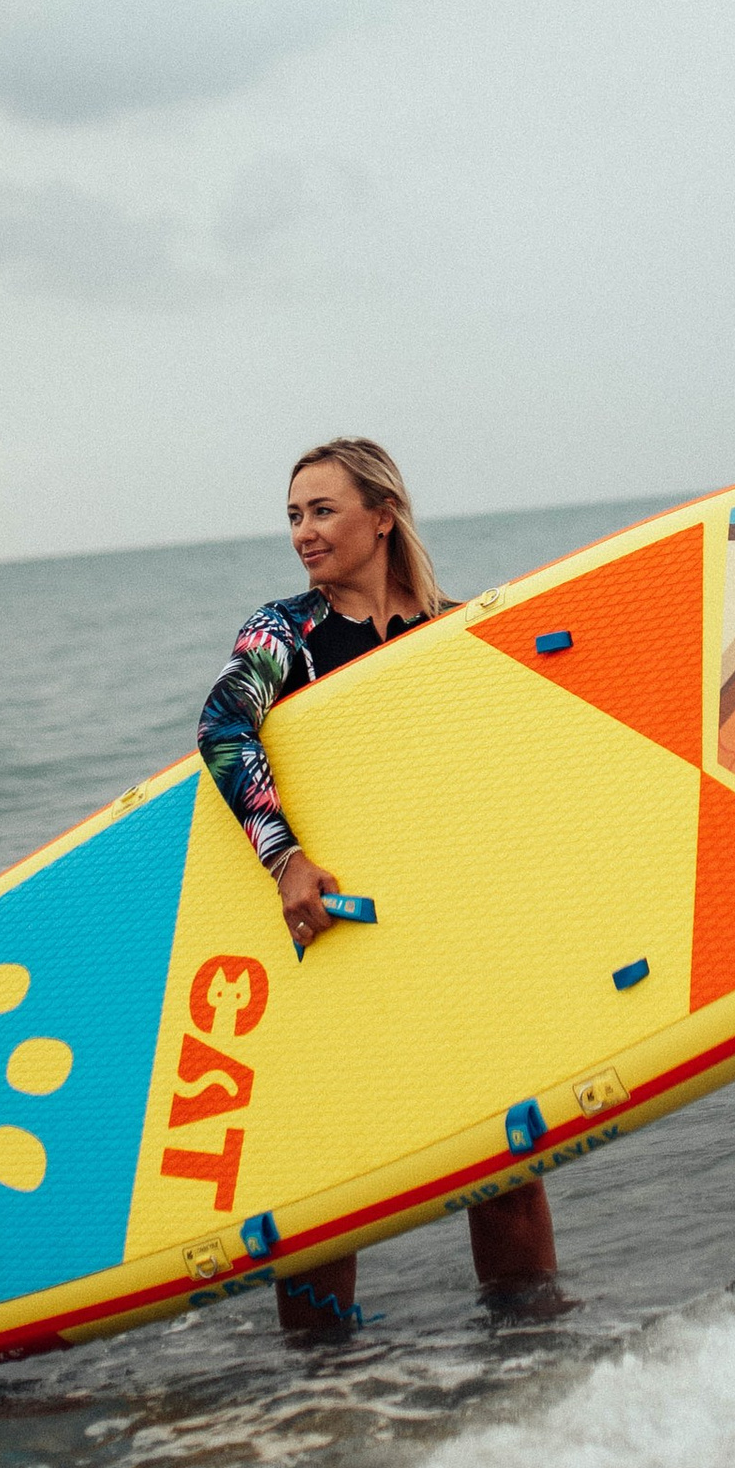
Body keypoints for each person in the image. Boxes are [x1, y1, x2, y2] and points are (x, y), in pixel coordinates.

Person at [198, 435, 560, 1335]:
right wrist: (285, 859)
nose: (303, 533)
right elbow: (223, 726)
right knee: (326, 1193)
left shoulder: (455, 629)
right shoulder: (286, 633)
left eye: (323, 511)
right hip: (335, 930)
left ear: (382, 515)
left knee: (505, 1170)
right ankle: (323, 1395)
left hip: (446, 931)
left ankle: (537, 1357)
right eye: (293, 516)